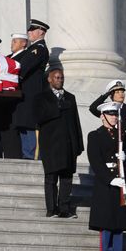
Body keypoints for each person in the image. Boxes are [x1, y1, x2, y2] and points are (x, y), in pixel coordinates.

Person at [86, 101, 126, 251]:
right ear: (102, 116)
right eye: (111, 115)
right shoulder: (95, 136)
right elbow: (96, 161)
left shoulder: (123, 136)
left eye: (115, 115)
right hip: (105, 184)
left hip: (121, 182)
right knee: (106, 222)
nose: (114, 118)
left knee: (119, 222)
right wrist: (109, 179)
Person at [35, 64, 83, 218]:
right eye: (57, 77)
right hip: (50, 144)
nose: (60, 80)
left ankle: (64, 209)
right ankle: (51, 208)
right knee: (51, 178)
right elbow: (38, 118)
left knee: (66, 178)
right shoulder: (41, 97)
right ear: (49, 79)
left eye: (62, 78)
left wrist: (79, 144)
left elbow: (76, 121)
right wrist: (57, 107)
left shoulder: (70, 97)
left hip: (68, 144)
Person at [1, 18, 49, 160]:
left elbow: (23, 68)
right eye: (29, 29)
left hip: (32, 96)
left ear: (41, 32)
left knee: (30, 129)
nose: (29, 32)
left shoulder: (38, 49)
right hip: (25, 96)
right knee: (23, 126)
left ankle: (32, 159)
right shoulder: (31, 49)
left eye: (32, 30)